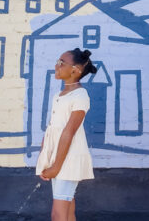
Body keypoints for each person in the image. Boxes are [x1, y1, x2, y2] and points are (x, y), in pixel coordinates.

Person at [36, 48, 97, 221]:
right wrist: (45, 158)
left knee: (58, 214)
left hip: (68, 160)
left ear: (75, 70)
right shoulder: (59, 95)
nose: (56, 65)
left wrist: (56, 167)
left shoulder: (80, 95)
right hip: (58, 157)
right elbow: (51, 129)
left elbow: (69, 132)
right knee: (67, 210)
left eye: (61, 63)